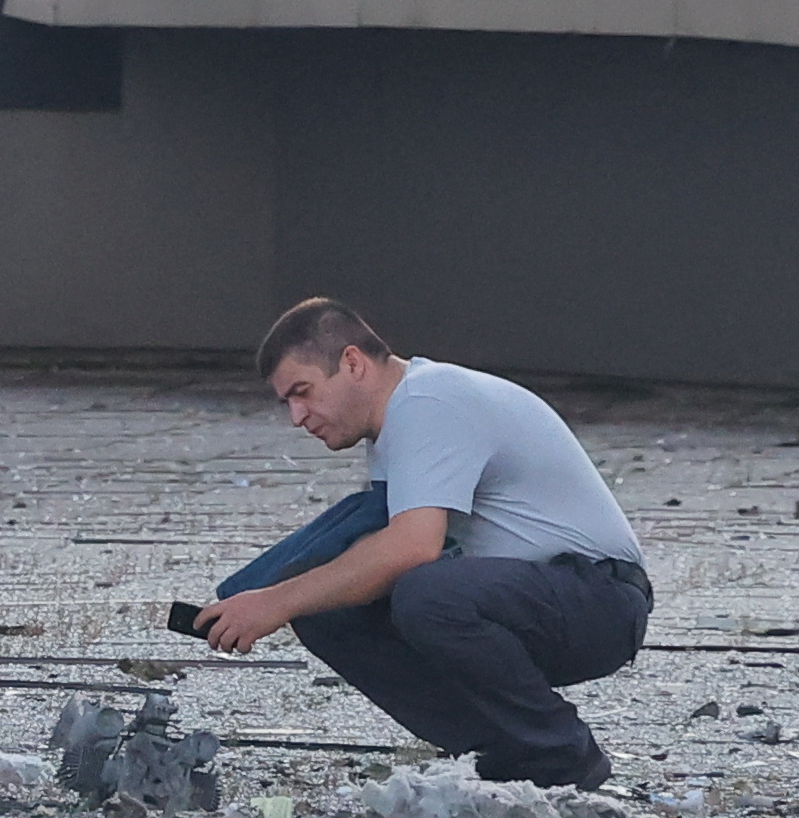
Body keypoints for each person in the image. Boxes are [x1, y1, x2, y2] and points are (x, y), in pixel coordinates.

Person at [194, 297, 649, 790]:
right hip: (539, 598)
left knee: (426, 593)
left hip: (600, 602)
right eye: (287, 402)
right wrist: (282, 593)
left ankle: (560, 754)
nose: (297, 417)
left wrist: (273, 601)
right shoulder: (398, 422)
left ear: (352, 363)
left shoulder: (427, 401)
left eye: (302, 392)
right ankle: (500, 757)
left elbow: (411, 548)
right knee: (328, 607)